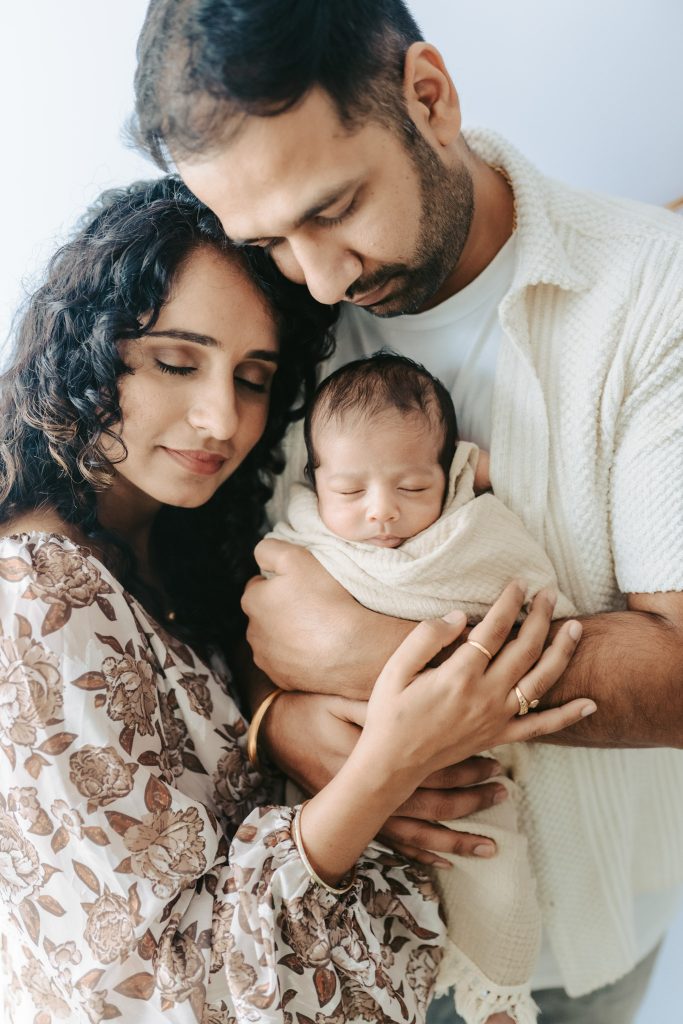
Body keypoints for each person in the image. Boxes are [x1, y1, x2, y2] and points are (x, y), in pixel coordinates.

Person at [131, 1, 683, 1020]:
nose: (320, 275)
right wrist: (275, 720)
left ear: (426, 97)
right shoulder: (267, 315)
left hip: (592, 933)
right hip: (346, 948)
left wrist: (365, 648)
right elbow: (215, 585)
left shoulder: (654, 294)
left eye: (334, 207)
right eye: (273, 239)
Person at [0, 176, 590, 1024]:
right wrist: (385, 768)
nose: (220, 420)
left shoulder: (173, 533)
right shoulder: (35, 598)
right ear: (87, 349)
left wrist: (275, 718)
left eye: (252, 379)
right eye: (175, 361)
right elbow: (161, 988)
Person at [268, 351, 582, 1023]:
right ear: (313, 478)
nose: (381, 513)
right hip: (339, 766)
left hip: (462, 761)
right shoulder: (301, 537)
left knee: (491, 863)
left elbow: (520, 587)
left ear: (451, 472)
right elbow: (269, 623)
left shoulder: (469, 524)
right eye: (349, 492)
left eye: (412, 487)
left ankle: (496, 996)